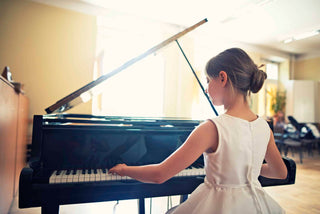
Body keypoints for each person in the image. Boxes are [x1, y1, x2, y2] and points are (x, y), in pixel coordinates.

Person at [109, 48, 288, 214]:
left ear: (223, 78)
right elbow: (280, 172)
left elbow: (160, 175)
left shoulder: (211, 128)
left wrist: (124, 169)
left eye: (208, 80)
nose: (206, 87)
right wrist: (249, 169)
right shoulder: (264, 126)